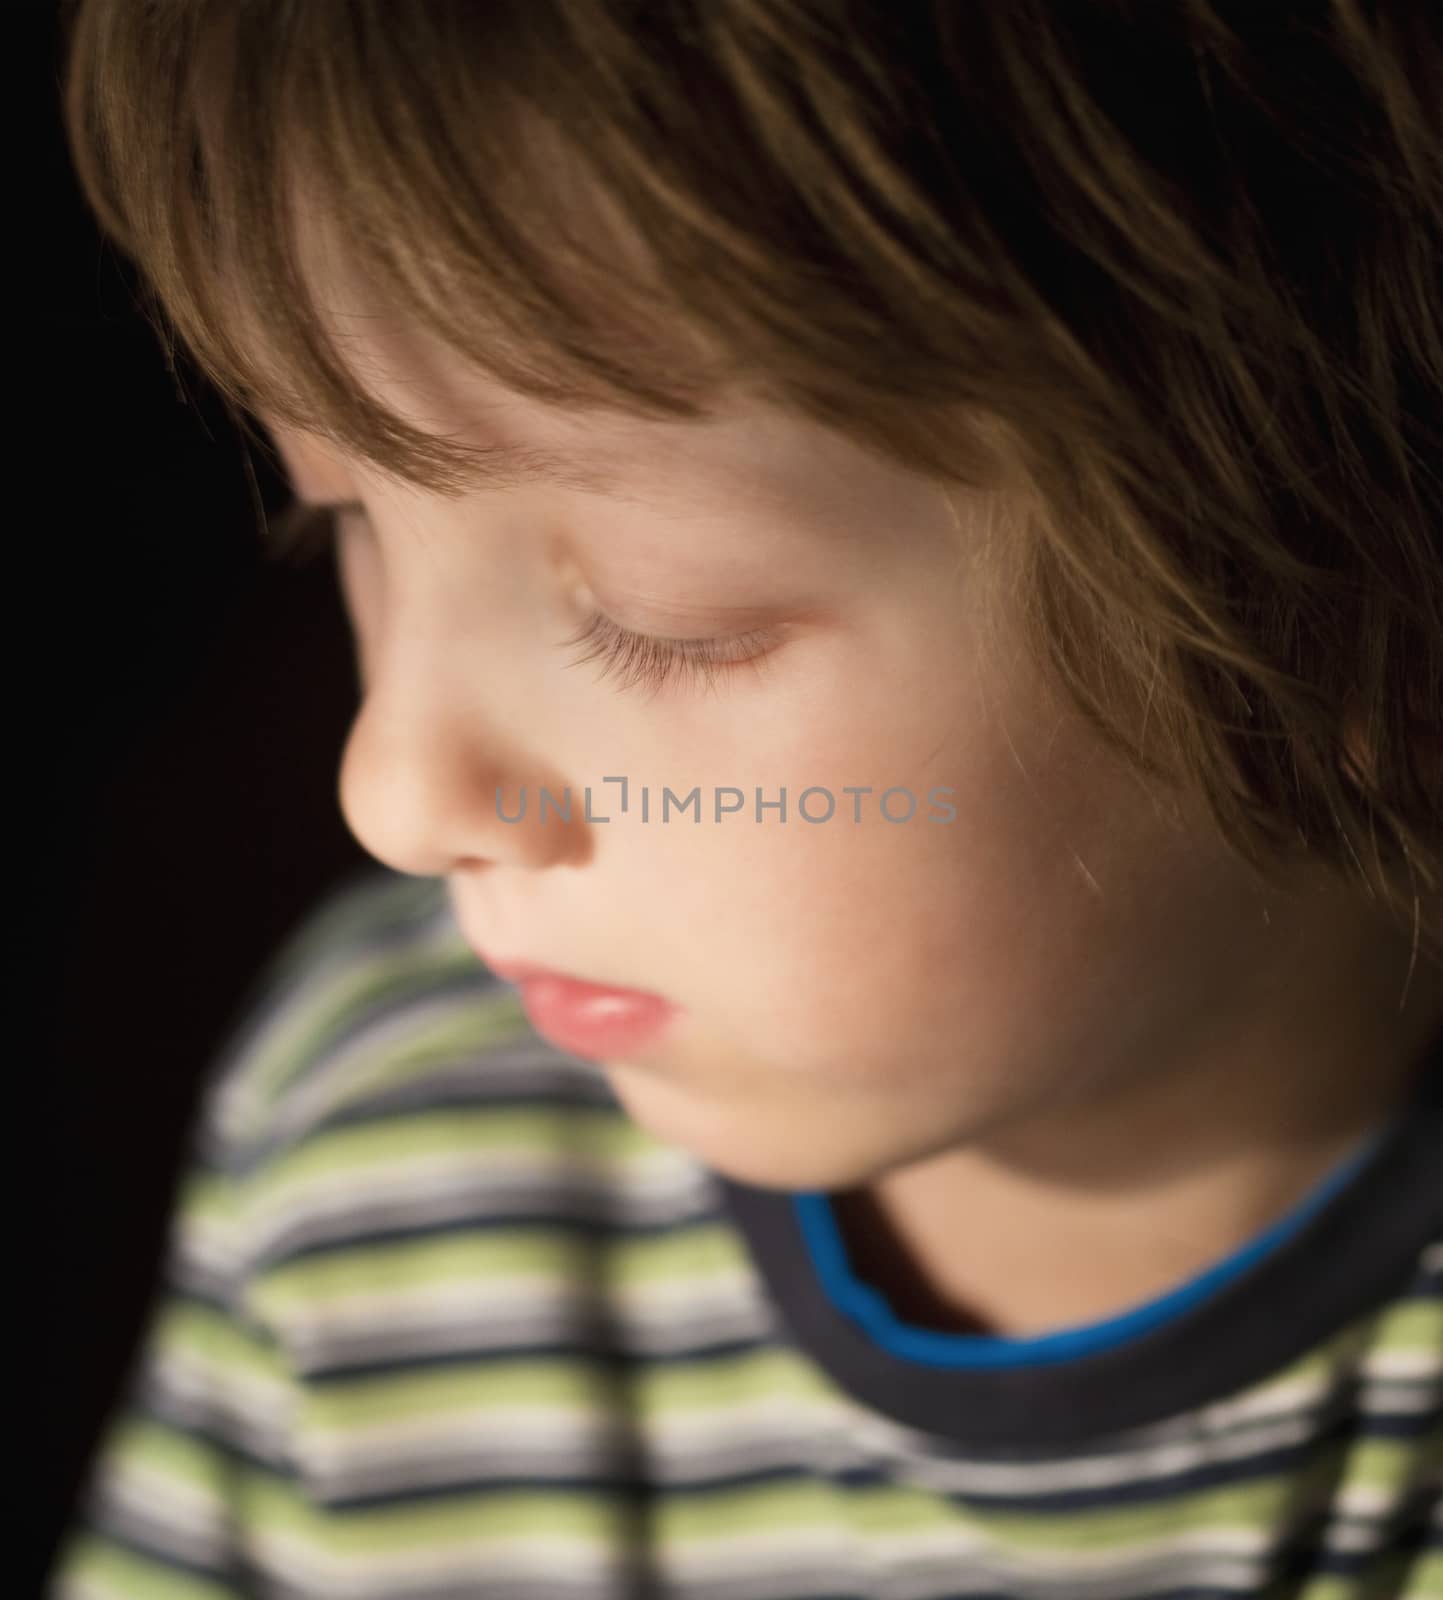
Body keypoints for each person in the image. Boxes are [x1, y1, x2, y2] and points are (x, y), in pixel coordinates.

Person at [50, 2, 1442, 1596]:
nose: (391, 792)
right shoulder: (370, 1133)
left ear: (1364, 626)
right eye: (346, 527)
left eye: (665, 618)